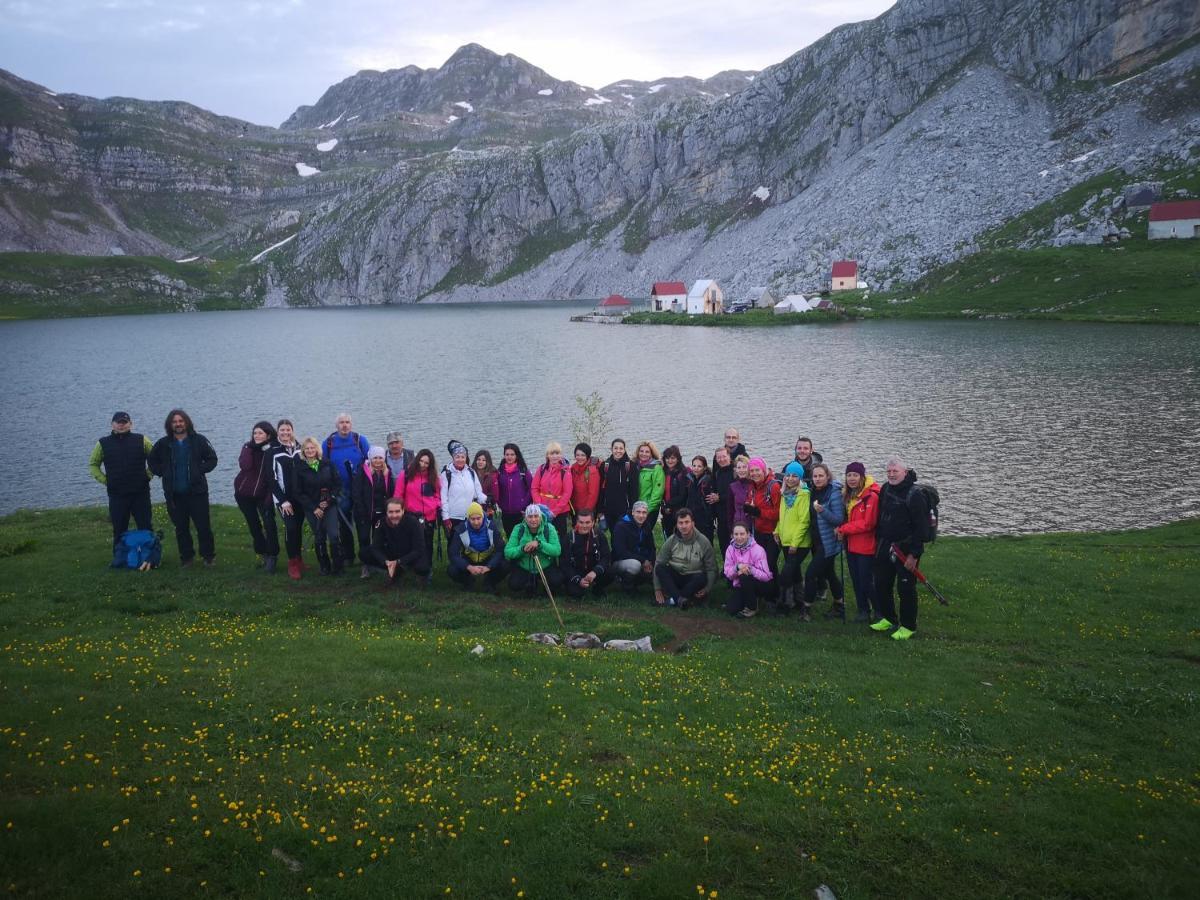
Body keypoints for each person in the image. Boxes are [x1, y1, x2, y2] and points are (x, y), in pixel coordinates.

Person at [870, 457, 930, 641]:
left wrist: (914, 554)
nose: (891, 474)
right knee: (881, 583)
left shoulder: (915, 494)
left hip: (906, 548)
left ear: (905, 472)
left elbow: (921, 528)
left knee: (905, 588)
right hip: (886, 545)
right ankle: (889, 618)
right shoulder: (886, 488)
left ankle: (908, 626)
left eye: (895, 471)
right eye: (888, 471)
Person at [149, 409, 218, 567]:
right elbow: (152, 461)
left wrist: (198, 470)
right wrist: (163, 472)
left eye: (181, 421)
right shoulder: (163, 444)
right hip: (174, 495)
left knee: (203, 527)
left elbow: (212, 459)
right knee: (181, 528)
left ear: (186, 422)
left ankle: (208, 557)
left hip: (197, 493)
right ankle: (187, 558)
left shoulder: (199, 440)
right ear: (170, 425)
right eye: (174, 422)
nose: (178, 424)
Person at [89, 411, 153, 551]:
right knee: (119, 528)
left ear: (130, 424)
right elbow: (93, 465)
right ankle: (120, 558)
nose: (121, 425)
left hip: (140, 493)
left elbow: (155, 458)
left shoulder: (142, 440)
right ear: (112, 425)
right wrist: (106, 480)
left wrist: (148, 475)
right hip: (117, 494)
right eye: (118, 422)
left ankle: (149, 556)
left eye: (124, 422)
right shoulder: (102, 443)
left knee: (145, 526)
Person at [837, 462, 881, 623]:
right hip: (851, 545)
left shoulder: (871, 497)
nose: (852, 479)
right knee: (856, 579)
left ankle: (879, 611)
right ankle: (863, 610)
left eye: (855, 475)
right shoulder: (849, 495)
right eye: (849, 475)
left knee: (866, 580)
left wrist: (844, 529)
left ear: (862, 477)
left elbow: (868, 523)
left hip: (866, 546)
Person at [233, 420, 280, 572]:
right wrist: (249, 448)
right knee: (254, 526)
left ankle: (273, 556)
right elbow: (245, 466)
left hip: (264, 494)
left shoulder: (273, 449)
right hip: (244, 493)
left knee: (269, 525)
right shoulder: (248, 448)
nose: (257, 436)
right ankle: (263, 553)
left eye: (260, 433)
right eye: (255, 433)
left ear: (268, 434)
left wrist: (269, 497)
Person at [324, 413, 370, 565]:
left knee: (361, 521)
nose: (345, 425)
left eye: (347, 422)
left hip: (359, 489)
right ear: (336, 426)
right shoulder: (328, 443)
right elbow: (323, 465)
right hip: (340, 490)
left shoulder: (360, 440)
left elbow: (370, 462)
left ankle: (365, 556)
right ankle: (348, 556)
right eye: (341, 423)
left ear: (351, 424)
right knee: (344, 523)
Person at [802, 463, 847, 619]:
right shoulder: (813, 491)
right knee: (830, 573)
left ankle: (806, 609)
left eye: (821, 476)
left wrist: (822, 511)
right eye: (815, 476)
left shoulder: (833, 493)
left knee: (810, 574)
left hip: (828, 543)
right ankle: (839, 604)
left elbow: (839, 519)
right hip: (816, 541)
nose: (818, 479)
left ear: (828, 476)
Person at [293, 436, 343, 575]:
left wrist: (330, 499)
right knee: (319, 536)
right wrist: (313, 508)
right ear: (303, 451)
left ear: (317, 449)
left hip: (330, 505)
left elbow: (337, 484)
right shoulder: (299, 469)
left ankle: (338, 566)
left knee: (333, 535)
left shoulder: (327, 464)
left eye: (312, 448)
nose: (310, 450)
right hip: (312, 508)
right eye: (307, 448)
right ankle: (324, 566)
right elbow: (298, 492)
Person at [653, 508, 716, 608]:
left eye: (687, 522)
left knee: (701, 577)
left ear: (693, 523)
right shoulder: (671, 540)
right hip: (677, 576)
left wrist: (707, 589)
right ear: (677, 525)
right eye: (680, 523)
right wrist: (657, 589)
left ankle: (674, 599)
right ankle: (683, 599)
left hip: (693, 577)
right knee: (660, 568)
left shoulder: (703, 541)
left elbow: (711, 568)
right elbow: (659, 562)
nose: (684, 526)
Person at [353, 447, 398, 578]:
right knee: (364, 538)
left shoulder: (387, 472)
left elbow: (390, 492)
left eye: (380, 458)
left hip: (381, 512)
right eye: (375, 458)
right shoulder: (363, 471)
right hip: (365, 511)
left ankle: (380, 563)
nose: (378, 461)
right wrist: (362, 510)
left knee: (379, 539)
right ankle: (365, 565)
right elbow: (356, 493)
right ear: (370, 458)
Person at [396, 449, 441, 581]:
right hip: (410, 515)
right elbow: (398, 495)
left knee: (427, 544)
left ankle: (427, 570)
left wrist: (433, 505)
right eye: (421, 461)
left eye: (426, 463)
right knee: (410, 543)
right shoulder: (405, 475)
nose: (423, 464)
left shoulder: (434, 477)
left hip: (428, 517)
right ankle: (410, 566)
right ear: (417, 460)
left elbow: (438, 496)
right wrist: (399, 512)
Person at [269, 419, 306, 580]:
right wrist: (283, 500)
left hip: (300, 497)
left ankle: (299, 559)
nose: (285, 433)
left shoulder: (299, 448)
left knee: (298, 527)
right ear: (277, 432)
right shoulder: (272, 451)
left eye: (288, 430)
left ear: (292, 431)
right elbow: (270, 478)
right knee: (290, 528)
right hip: (283, 499)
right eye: (282, 430)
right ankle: (292, 563)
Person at [775, 462, 812, 616]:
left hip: (799, 543)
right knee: (795, 571)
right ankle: (799, 600)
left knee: (786, 574)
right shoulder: (785, 494)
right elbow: (781, 516)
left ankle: (785, 604)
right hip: (785, 539)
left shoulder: (804, 494)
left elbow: (804, 521)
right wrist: (776, 531)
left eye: (794, 476)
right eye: (788, 475)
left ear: (800, 478)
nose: (790, 479)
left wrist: (795, 543)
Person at [366, 497, 429, 586]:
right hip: (392, 554)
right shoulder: (381, 523)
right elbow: (376, 547)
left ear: (403, 511)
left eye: (397, 511)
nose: (394, 515)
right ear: (386, 512)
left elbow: (419, 549)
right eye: (390, 512)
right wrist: (385, 561)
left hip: (410, 554)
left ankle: (409, 571)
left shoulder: (413, 522)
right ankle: (395, 570)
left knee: (423, 567)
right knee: (364, 553)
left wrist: (399, 561)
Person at [504, 504, 563, 595]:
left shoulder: (549, 528)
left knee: (557, 581)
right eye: (530, 516)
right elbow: (508, 551)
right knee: (514, 585)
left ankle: (543, 584)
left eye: (536, 516)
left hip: (545, 566)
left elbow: (557, 550)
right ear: (525, 517)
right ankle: (531, 582)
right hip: (525, 566)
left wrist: (540, 544)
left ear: (541, 516)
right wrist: (522, 549)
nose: (533, 520)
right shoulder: (518, 528)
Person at [447, 501, 505, 592]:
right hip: (469, 558)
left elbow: (500, 550)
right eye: (472, 519)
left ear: (483, 516)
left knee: (505, 565)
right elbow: (453, 554)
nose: (476, 522)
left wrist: (489, 566)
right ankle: (468, 582)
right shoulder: (461, 529)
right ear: (468, 518)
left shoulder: (492, 526)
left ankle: (489, 582)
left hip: (487, 558)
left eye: (478, 518)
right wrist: (468, 566)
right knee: (452, 570)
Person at [744, 457, 782, 599]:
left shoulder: (773, 487)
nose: (754, 473)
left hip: (773, 533)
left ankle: (774, 597)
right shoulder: (752, 486)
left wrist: (758, 512)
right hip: (758, 531)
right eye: (751, 471)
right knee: (760, 564)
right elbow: (750, 501)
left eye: (757, 470)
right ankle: (765, 593)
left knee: (770, 564)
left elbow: (779, 513)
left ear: (764, 470)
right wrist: (748, 507)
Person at [723, 523, 773, 618]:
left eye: (742, 534)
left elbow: (766, 576)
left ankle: (752, 607)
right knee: (731, 609)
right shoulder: (730, 549)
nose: (739, 537)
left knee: (744, 576)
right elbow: (727, 573)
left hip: (761, 584)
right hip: (740, 584)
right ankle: (749, 600)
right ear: (732, 535)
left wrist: (749, 569)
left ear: (748, 534)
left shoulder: (758, 550)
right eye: (736, 534)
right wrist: (737, 568)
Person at [560, 509, 612, 599]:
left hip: (594, 570)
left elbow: (606, 557)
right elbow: (564, 563)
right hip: (577, 571)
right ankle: (578, 585)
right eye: (581, 522)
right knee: (576, 593)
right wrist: (577, 579)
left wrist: (595, 571)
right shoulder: (569, 538)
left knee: (611, 572)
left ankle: (597, 588)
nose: (584, 526)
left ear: (593, 523)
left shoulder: (599, 536)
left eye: (588, 522)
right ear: (576, 522)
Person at [440, 441, 488, 536]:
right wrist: (445, 517)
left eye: (463, 457)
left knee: (468, 545)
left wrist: (488, 501)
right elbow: (443, 498)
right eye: (457, 457)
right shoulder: (446, 474)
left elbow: (478, 493)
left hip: (469, 516)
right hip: (453, 517)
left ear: (466, 458)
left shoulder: (471, 472)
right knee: (453, 545)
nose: (460, 460)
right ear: (453, 458)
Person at [609, 500, 656, 592]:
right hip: (620, 561)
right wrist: (643, 561)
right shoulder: (621, 526)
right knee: (635, 565)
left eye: (644, 513)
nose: (641, 515)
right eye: (638, 512)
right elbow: (621, 552)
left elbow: (652, 547)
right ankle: (626, 586)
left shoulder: (647, 525)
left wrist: (651, 562)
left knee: (659, 566)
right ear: (633, 512)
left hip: (642, 559)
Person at [531, 442, 573, 543]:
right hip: (542, 511)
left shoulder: (565, 472)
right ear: (547, 455)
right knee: (544, 537)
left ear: (561, 455)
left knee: (561, 539)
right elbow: (534, 488)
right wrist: (540, 506)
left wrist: (554, 512)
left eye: (557, 453)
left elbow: (567, 494)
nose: (555, 456)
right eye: (552, 453)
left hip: (559, 512)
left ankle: (563, 558)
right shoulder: (541, 469)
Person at [598, 438, 638, 533]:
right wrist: (600, 510)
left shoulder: (631, 466)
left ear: (624, 450)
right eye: (616, 448)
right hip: (609, 509)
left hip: (625, 509)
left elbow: (634, 491)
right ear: (611, 449)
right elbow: (601, 490)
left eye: (621, 448)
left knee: (624, 534)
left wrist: (632, 510)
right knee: (613, 534)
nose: (618, 451)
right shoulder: (605, 466)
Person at [496, 443, 534, 535]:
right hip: (505, 512)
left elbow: (531, 488)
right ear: (504, 455)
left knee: (522, 537)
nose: (509, 457)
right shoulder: (500, 471)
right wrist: (500, 504)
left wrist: (524, 505)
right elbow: (497, 489)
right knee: (510, 537)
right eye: (507, 454)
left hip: (520, 512)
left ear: (517, 455)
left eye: (512, 454)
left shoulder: (523, 471)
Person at [684, 455, 717, 542]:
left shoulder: (708, 480)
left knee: (706, 542)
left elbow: (710, 501)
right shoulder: (689, 479)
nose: (696, 468)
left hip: (704, 518)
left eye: (699, 466)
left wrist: (710, 517)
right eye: (694, 466)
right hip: (691, 515)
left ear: (704, 467)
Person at [659, 445, 690, 538]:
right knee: (668, 535)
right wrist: (664, 506)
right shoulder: (663, 472)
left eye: (673, 458)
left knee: (681, 535)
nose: (670, 461)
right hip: (666, 510)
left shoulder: (683, 473)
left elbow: (683, 495)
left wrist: (669, 505)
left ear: (678, 459)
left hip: (679, 509)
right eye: (667, 458)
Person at [710, 446, 736, 554]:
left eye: (724, 456)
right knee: (723, 544)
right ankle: (727, 568)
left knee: (735, 543)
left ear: (729, 457)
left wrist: (720, 497)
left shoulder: (735, 472)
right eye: (719, 457)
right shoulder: (717, 473)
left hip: (733, 514)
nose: (721, 459)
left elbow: (736, 494)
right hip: (721, 515)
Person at [634, 441, 664, 531]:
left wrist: (647, 510)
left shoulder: (656, 468)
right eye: (641, 451)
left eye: (647, 452)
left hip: (649, 509)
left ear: (651, 454)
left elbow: (657, 492)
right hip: (635, 507)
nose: (644, 454)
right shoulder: (634, 466)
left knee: (645, 534)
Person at [569, 443, 601, 526]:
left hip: (587, 511)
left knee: (587, 535)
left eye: (583, 455)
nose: (580, 458)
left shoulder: (592, 471)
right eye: (577, 455)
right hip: (575, 510)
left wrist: (586, 513)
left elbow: (593, 495)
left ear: (588, 456)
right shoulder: (573, 468)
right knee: (576, 534)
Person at [728, 454, 753, 531]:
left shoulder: (754, 484)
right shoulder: (732, 486)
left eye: (744, 467)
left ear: (748, 468)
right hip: (738, 523)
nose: (741, 470)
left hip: (752, 524)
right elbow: (730, 510)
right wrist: (731, 528)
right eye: (739, 467)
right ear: (735, 469)